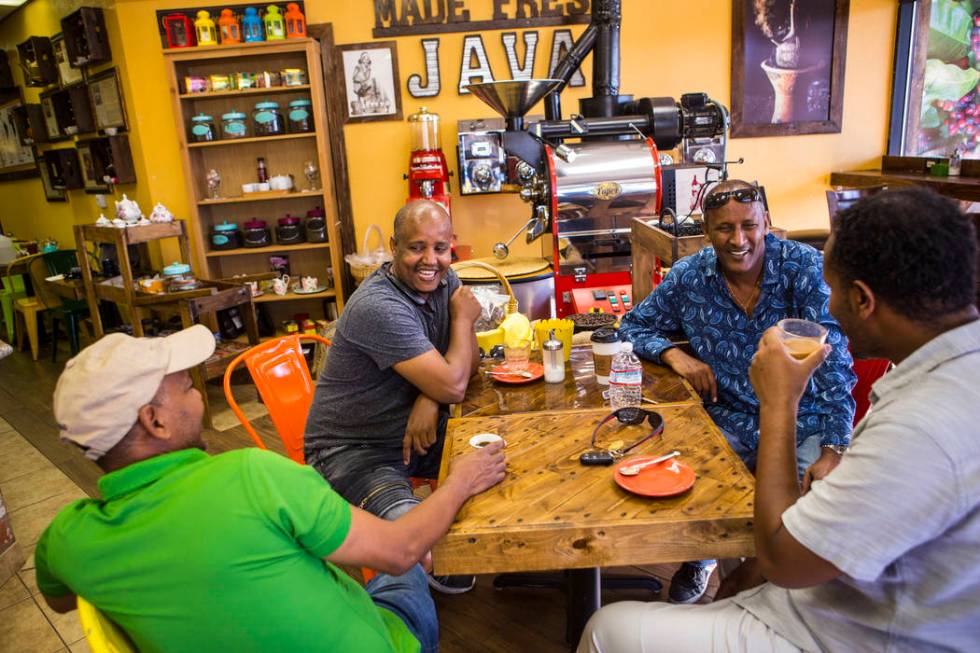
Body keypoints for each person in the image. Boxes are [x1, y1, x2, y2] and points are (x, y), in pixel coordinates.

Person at [578, 187, 980, 652]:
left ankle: (722, 576)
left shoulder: (918, 428)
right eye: (724, 228)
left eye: (837, 297)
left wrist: (785, 406)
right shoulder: (945, 379)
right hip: (831, 587)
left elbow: (785, 563)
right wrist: (675, 354)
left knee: (606, 629)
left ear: (863, 299)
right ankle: (712, 563)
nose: (829, 311)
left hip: (840, 628)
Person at [35, 325, 506, 653]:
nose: (199, 393)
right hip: (385, 643)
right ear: (153, 421)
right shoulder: (251, 475)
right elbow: (401, 549)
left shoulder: (67, 539)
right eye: (184, 385)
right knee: (406, 566)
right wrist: (462, 479)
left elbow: (62, 599)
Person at [618, 179, 856, 603]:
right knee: (683, 479)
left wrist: (836, 448)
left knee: (809, 512)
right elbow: (632, 325)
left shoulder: (804, 268)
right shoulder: (689, 276)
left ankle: (763, 588)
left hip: (806, 418)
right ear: (707, 232)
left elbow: (836, 364)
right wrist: (675, 355)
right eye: (724, 228)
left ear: (767, 221)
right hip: (729, 417)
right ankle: (701, 557)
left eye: (749, 225)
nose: (739, 239)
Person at [305, 199, 481, 593]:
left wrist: (430, 397)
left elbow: (473, 366)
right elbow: (455, 382)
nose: (430, 260)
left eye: (439, 248)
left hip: (413, 433)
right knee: (418, 548)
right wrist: (463, 323)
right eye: (416, 247)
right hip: (351, 450)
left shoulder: (443, 281)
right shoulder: (379, 306)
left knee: (502, 460)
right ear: (393, 246)